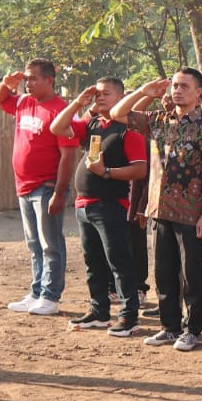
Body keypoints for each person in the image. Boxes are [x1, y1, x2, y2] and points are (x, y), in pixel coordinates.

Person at [110, 69, 202, 351]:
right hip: (160, 211)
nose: (177, 90)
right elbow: (116, 113)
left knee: (191, 275)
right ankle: (169, 327)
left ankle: (192, 329)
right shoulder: (158, 121)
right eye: (174, 85)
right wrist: (144, 92)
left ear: (199, 93)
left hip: (190, 213)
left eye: (184, 86)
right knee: (163, 273)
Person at [48, 79, 148, 336]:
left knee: (119, 262)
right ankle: (99, 311)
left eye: (106, 93)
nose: (100, 97)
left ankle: (128, 316)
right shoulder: (93, 124)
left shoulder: (129, 129)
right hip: (84, 204)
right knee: (93, 263)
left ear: (122, 97)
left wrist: (106, 172)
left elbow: (139, 169)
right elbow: (57, 128)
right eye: (97, 93)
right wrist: (79, 103)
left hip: (111, 205)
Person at [0, 59, 79, 314]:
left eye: (33, 79)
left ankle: (51, 296)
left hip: (47, 186)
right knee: (33, 244)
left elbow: (68, 155)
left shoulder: (60, 110)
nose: (28, 83)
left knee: (50, 243)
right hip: (24, 186)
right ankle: (36, 292)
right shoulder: (23, 102)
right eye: (26, 79)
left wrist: (60, 191)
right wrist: (7, 84)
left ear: (49, 80)